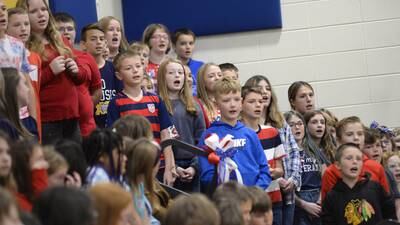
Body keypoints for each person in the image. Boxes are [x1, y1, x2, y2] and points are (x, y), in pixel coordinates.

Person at [17, 0, 88, 144]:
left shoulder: (60, 40)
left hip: (71, 114)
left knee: (75, 161)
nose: (41, 14)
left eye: (43, 9)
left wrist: (76, 71)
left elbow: (82, 78)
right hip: (46, 118)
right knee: (55, 164)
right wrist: (50, 71)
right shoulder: (24, 46)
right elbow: (27, 86)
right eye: (34, 11)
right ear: (24, 16)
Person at [106, 51, 177, 186]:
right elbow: (115, 139)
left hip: (158, 164)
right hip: (132, 166)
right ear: (119, 75)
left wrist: (169, 167)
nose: (135, 71)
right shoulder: (116, 103)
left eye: (138, 66)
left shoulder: (155, 99)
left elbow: (165, 135)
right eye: (128, 68)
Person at [244, 75, 301, 225]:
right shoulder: (242, 130)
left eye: (268, 89)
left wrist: (292, 179)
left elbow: (294, 153)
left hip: (283, 192)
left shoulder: (279, 123)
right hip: (257, 192)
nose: (265, 93)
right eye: (259, 89)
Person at [198, 77, 271, 192]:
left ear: (241, 103)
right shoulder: (209, 137)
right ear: (216, 104)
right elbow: (206, 176)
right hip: (226, 201)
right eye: (226, 101)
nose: (232, 105)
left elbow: (264, 170)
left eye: (236, 99)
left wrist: (256, 192)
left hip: (253, 199)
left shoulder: (250, 134)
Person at [157, 58, 206, 192]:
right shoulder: (157, 105)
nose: (177, 75)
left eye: (180, 72)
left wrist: (194, 167)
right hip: (168, 165)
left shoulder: (194, 105)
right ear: (162, 77)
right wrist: (174, 166)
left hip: (192, 164)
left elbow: (201, 138)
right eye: (171, 73)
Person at [240, 86, 285, 225]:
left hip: (273, 199)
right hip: (249, 201)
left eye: (260, 101)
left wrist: (272, 172)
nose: (258, 105)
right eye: (252, 101)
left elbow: (280, 169)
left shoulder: (272, 132)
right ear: (241, 104)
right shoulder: (238, 135)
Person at [321, 143, 396, 225]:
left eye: (359, 159)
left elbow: (390, 216)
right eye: (349, 158)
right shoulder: (332, 196)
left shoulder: (375, 188)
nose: (354, 162)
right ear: (338, 165)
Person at [54, 14, 102, 138]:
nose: (66, 33)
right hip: (60, 127)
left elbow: (97, 90)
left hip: (87, 127)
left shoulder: (87, 57)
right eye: (61, 29)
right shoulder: (49, 57)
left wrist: (86, 104)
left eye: (70, 29)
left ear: (75, 32)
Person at [321, 116, 390, 201]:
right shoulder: (331, 172)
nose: (356, 138)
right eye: (350, 134)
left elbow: (386, 202)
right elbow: (327, 206)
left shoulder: (376, 167)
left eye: (360, 134)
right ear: (338, 140)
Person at [285, 111, 328, 225]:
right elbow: (286, 188)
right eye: (291, 125)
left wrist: (319, 200)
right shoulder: (285, 154)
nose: (297, 127)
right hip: (298, 201)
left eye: (300, 123)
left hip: (318, 197)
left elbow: (326, 176)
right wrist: (305, 205)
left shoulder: (314, 149)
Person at [6, 7, 42, 140]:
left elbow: (30, 89)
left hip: (25, 117)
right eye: (17, 25)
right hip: (8, 117)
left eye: (26, 24)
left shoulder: (21, 50)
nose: (23, 28)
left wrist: (33, 120)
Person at [80, 23, 122, 128]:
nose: (98, 42)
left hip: (113, 126)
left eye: (102, 39)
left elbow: (121, 97)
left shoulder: (114, 68)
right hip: (90, 126)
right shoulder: (81, 70)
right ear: (83, 44)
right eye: (93, 39)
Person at [125, 138, 164, 225]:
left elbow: (148, 217)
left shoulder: (139, 185)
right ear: (150, 167)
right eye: (158, 164)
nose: (158, 168)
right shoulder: (128, 192)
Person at [10, 140, 49, 211]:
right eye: (40, 159)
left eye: (44, 159)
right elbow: (44, 209)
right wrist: (39, 173)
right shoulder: (15, 201)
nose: (46, 165)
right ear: (24, 165)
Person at [0, 67, 33, 139]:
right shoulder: (4, 125)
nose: (28, 89)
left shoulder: (21, 122)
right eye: (24, 84)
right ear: (14, 88)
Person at [172, 28, 203, 95]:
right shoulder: (169, 68)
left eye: (191, 43)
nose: (188, 47)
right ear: (174, 46)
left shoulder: (201, 67)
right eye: (183, 43)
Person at [142, 23, 171, 90]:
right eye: (157, 37)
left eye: (165, 37)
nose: (162, 40)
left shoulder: (175, 64)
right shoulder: (141, 66)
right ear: (148, 41)